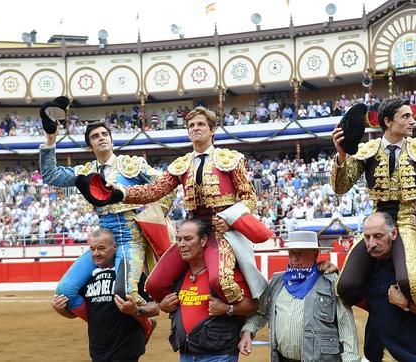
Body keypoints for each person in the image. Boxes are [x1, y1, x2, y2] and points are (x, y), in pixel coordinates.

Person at [112, 107, 266, 306]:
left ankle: (243, 314)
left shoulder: (231, 159)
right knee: (155, 284)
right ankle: (181, 311)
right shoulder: (181, 164)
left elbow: (249, 197)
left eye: (201, 124)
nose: (195, 128)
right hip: (193, 232)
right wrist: (121, 192)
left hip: (222, 233)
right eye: (191, 126)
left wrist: (230, 220)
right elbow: (154, 191)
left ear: (213, 130)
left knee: (223, 281)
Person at [331, 97, 416, 306]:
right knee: (345, 286)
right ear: (388, 122)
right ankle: (380, 308)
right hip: (376, 223)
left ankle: (415, 315)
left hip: (407, 222)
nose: (413, 121)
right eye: (406, 116)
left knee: (411, 284)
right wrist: (341, 155)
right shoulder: (367, 151)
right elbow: (340, 188)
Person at [40, 116, 171, 322]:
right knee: (65, 292)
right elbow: (51, 176)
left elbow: (166, 184)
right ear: (89, 145)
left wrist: (156, 215)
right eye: (95, 136)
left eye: (104, 134)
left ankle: (145, 325)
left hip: (131, 237)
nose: (101, 138)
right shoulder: (85, 172)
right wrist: (50, 138)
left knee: (125, 294)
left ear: (111, 139)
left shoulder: (131, 165)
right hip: (103, 240)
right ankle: (98, 326)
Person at [238, 231, 360, 362]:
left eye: (300, 253)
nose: (294, 259)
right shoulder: (277, 281)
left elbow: (345, 324)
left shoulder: (330, 280)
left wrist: (351, 359)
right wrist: (248, 331)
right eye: (291, 253)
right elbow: (262, 312)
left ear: (315, 254)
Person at [51, 229, 159, 362]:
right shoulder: (86, 279)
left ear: (115, 248)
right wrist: (59, 309)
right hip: (98, 350)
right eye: (92, 249)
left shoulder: (130, 275)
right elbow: (75, 314)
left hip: (126, 349)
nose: (96, 253)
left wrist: (137, 311)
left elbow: (155, 308)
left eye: (101, 248)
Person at [158, 219, 258, 361]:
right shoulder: (178, 275)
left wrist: (228, 309)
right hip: (186, 353)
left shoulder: (225, 273)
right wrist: (163, 306)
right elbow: (164, 304)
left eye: (188, 239)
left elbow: (253, 305)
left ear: (204, 240)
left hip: (218, 355)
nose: (181, 245)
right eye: (179, 240)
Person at [357, 212, 416, 361]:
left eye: (378, 236)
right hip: (374, 353)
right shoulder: (368, 268)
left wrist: (407, 304)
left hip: (408, 355)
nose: (371, 243)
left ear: (393, 234)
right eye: (367, 237)